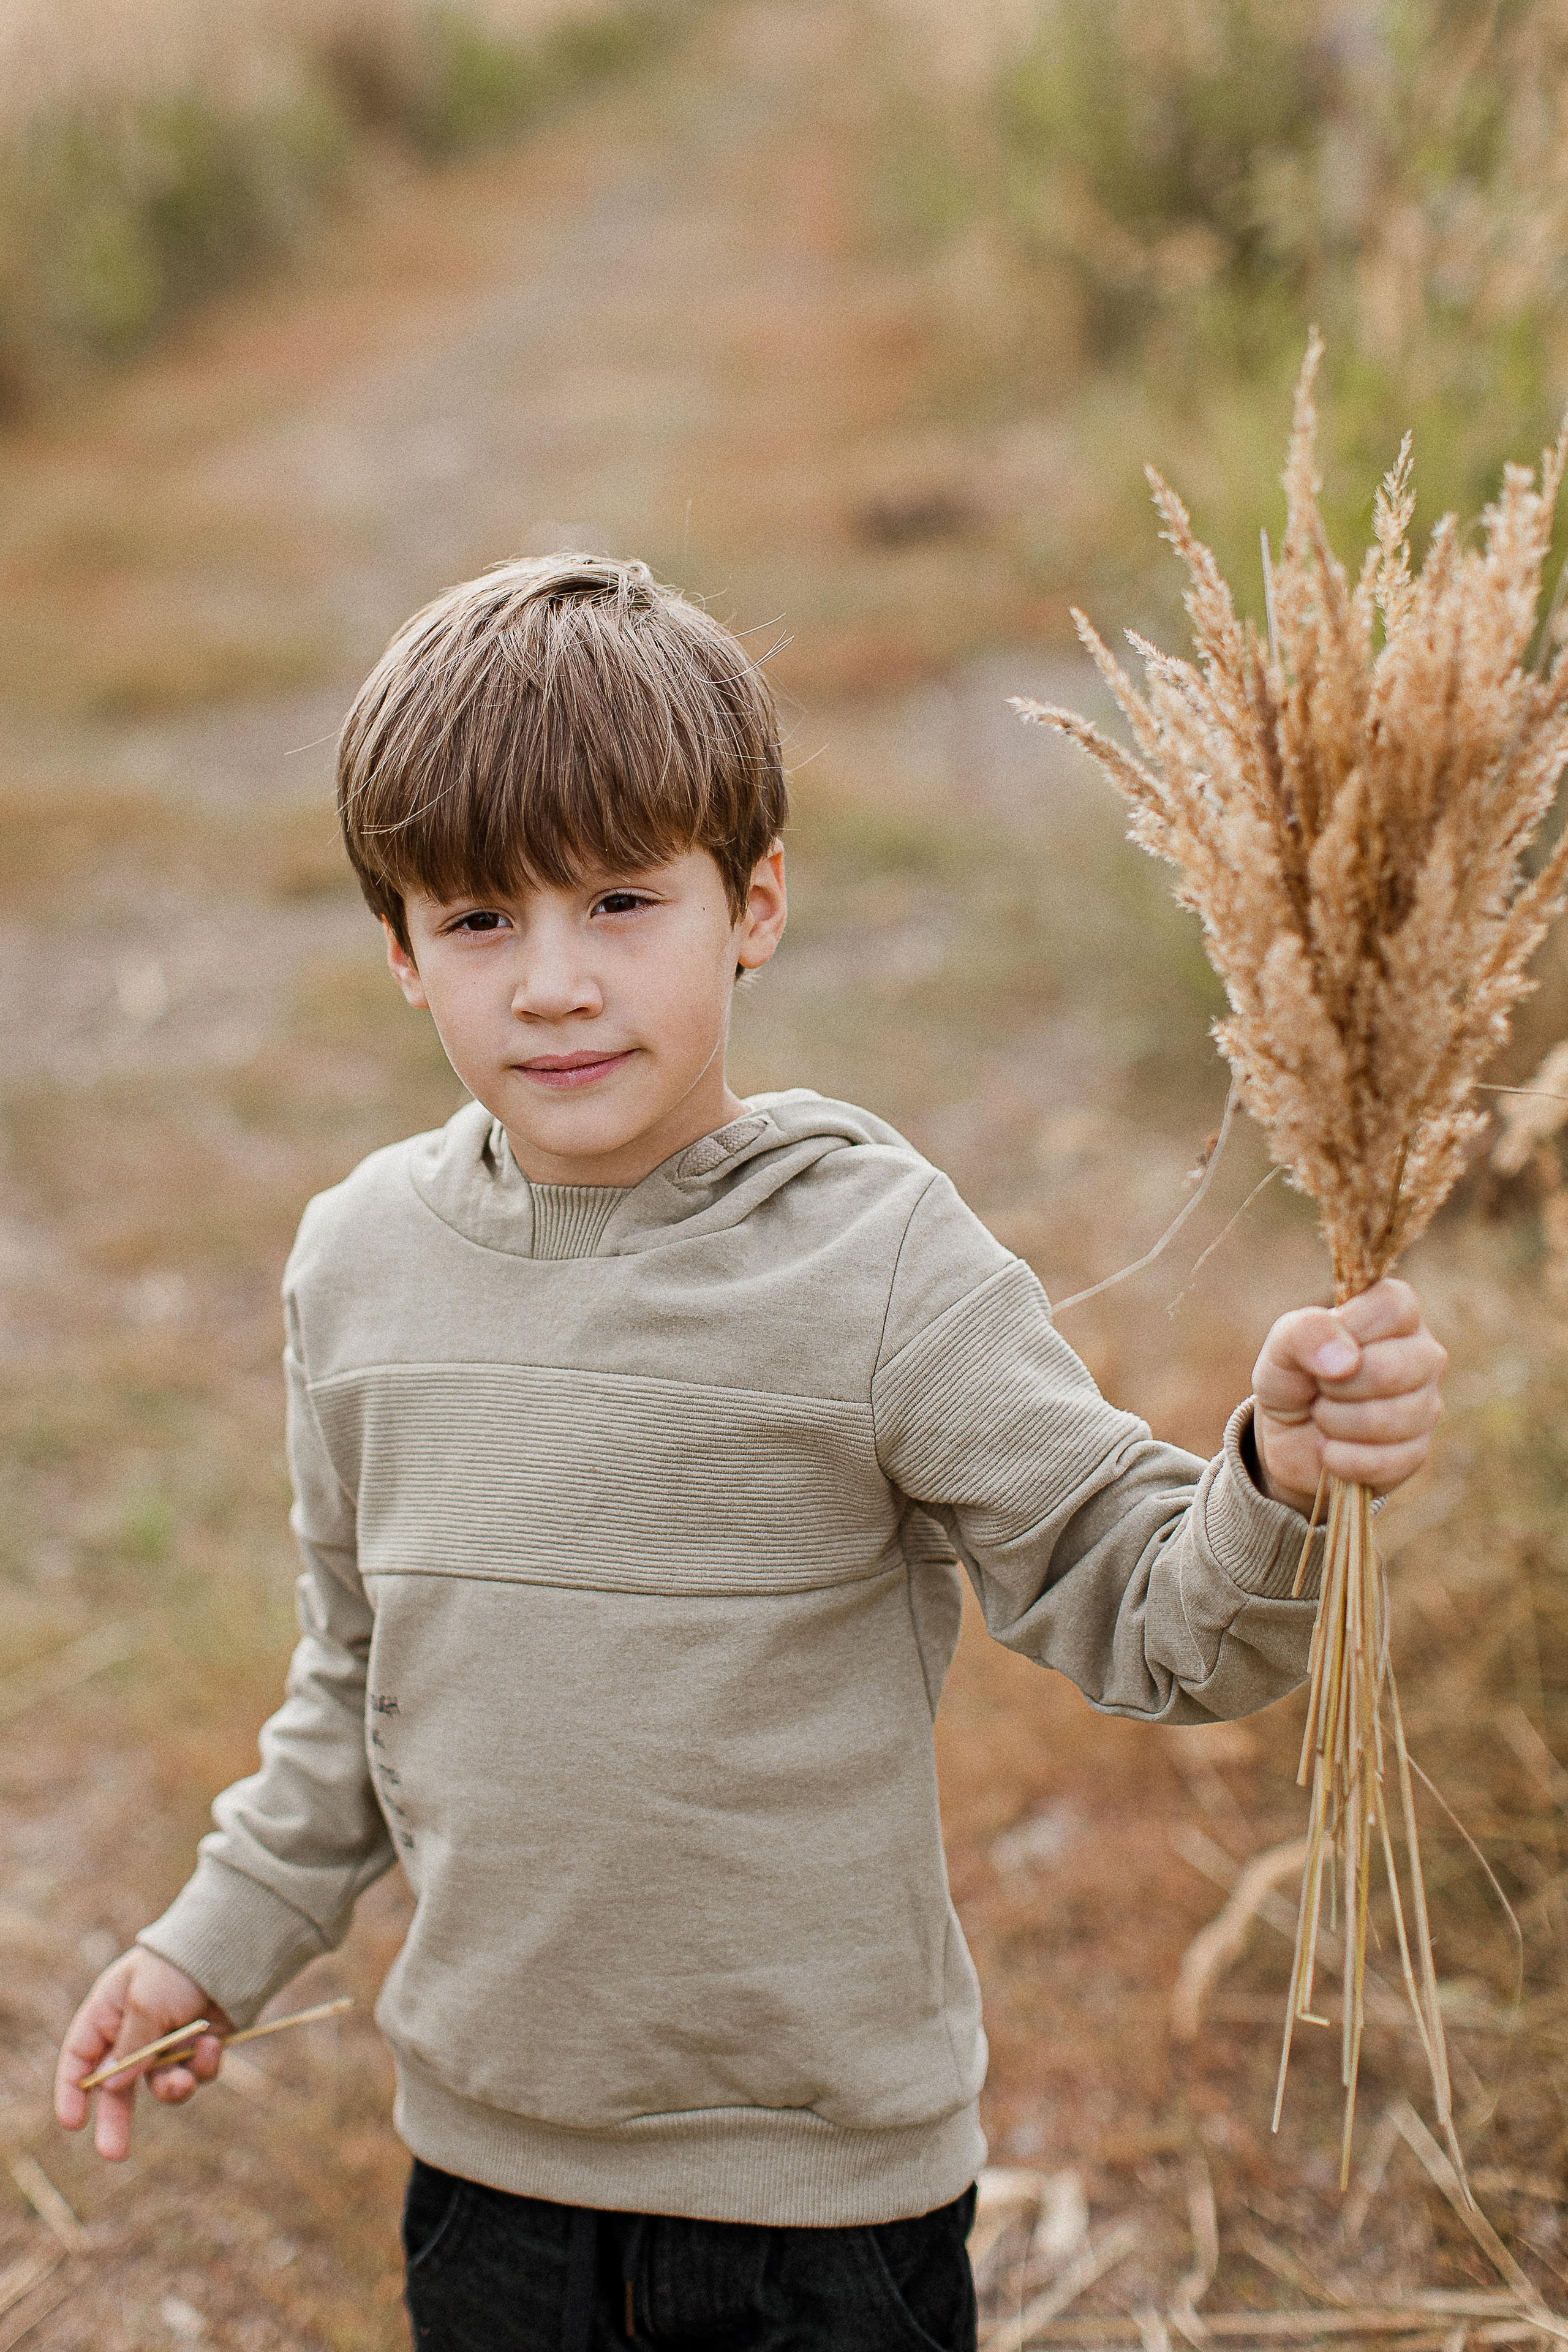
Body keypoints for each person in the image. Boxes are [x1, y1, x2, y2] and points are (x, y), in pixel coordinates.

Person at [55, 555, 1446, 2351]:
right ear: (397, 950)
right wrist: (210, 1944)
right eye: (478, 919)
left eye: (621, 901)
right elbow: (359, 1681)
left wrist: (1282, 1479)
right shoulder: (360, 1266)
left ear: (755, 904)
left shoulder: (874, 1261)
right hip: (489, 2173)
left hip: (825, 2210)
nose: (554, 984)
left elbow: (1155, 1614)